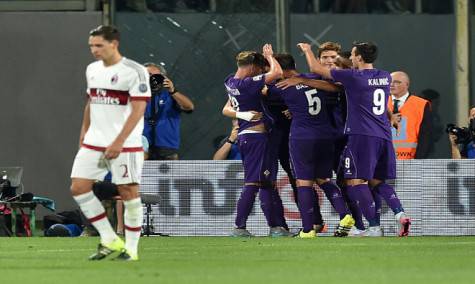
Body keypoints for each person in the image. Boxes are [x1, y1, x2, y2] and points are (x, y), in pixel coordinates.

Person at [298, 41, 411, 237]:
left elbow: (315, 69)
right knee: (377, 181)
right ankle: (400, 214)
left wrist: (307, 50)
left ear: (359, 57)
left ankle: (374, 227)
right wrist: (391, 115)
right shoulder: (384, 76)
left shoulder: (352, 76)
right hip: (383, 135)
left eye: (352, 55)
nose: (349, 58)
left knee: (356, 181)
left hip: (362, 136)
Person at [70, 25, 150, 261]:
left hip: (126, 143)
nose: (94, 50)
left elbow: (138, 109)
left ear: (113, 44)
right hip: (95, 141)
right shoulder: (92, 69)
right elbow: (91, 102)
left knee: (128, 191)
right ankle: (110, 238)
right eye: (91, 46)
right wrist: (83, 134)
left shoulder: (134, 71)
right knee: (79, 187)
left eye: (99, 45)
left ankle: (132, 249)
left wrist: (119, 140)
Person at [271, 53, 355, 238]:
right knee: (324, 179)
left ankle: (308, 229)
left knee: (303, 182)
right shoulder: (315, 78)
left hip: (302, 137)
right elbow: (336, 88)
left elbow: (259, 91)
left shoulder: (281, 86)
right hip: (326, 135)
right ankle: (345, 214)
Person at [223, 45, 290, 237]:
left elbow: (225, 109)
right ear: (252, 68)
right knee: (253, 183)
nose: (263, 73)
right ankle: (239, 227)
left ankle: (276, 228)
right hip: (256, 138)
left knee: (266, 183)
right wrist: (269, 56)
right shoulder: (247, 84)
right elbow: (276, 72)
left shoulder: (230, 82)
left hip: (249, 137)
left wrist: (241, 114)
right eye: (260, 70)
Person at [143, 62, 194, 160]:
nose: (150, 79)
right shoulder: (135, 96)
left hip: (166, 150)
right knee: (136, 173)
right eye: (147, 75)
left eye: (154, 76)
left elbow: (189, 107)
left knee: (169, 175)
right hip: (142, 147)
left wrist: (173, 91)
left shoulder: (169, 96)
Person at [389, 71, 433, 159]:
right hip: (383, 160)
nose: (391, 84)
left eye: (397, 82)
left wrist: (417, 162)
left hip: (410, 161)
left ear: (407, 85)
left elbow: (426, 137)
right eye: (389, 81)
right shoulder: (380, 104)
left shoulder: (421, 104)